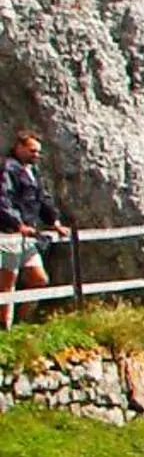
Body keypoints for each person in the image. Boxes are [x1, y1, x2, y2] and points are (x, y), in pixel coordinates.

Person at [0, 127, 68, 328]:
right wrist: (17, 224)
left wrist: (54, 222)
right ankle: (5, 328)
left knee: (38, 279)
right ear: (19, 147)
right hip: (8, 234)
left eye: (38, 152)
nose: (36, 155)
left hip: (28, 235)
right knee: (6, 284)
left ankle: (22, 322)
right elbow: (3, 200)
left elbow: (42, 198)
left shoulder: (33, 171)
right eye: (32, 151)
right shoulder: (7, 169)